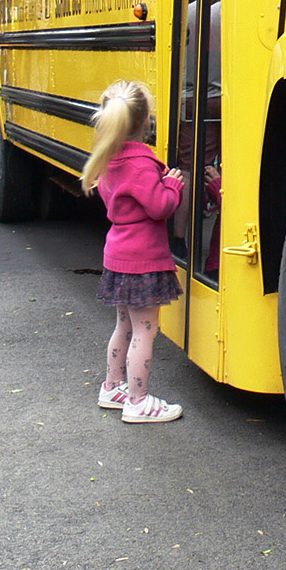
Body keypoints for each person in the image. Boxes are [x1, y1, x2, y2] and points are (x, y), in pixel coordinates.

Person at [82, 80, 184, 422]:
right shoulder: (142, 164)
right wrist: (172, 184)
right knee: (146, 330)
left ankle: (113, 387)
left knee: (123, 325)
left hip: (118, 255)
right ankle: (138, 401)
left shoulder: (109, 160)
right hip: (143, 259)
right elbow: (160, 207)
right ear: (145, 123)